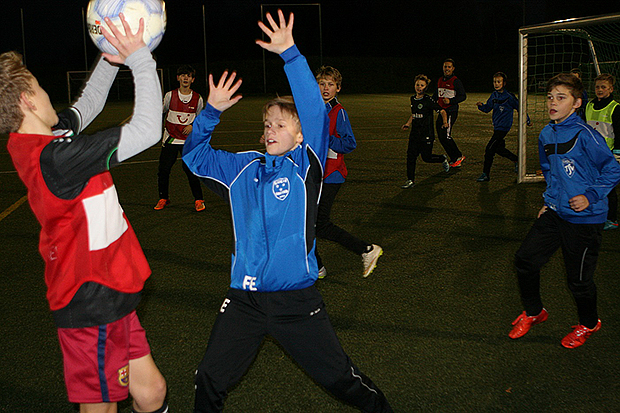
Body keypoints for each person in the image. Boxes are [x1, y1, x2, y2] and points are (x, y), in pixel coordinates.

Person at [182, 11, 393, 412]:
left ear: (299, 135)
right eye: (267, 124)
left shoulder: (305, 165)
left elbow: (314, 111)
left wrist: (290, 55)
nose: (270, 130)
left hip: (296, 300)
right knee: (208, 378)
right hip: (243, 301)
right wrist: (209, 113)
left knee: (340, 380)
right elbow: (193, 158)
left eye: (280, 124)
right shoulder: (241, 167)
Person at [2, 15, 168, 412]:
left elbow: (87, 104)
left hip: (111, 287)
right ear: (27, 100)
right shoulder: (57, 159)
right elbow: (146, 130)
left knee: (152, 392)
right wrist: (140, 58)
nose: (47, 96)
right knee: (102, 408)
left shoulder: (42, 138)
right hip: (89, 299)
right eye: (40, 89)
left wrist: (110, 57)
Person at [510, 73, 620, 349]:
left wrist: (590, 196)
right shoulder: (547, 133)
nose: (553, 102)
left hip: (585, 219)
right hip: (556, 213)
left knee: (579, 281)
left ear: (576, 104)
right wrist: (549, 200)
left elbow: (613, 169)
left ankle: (589, 323)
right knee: (525, 260)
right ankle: (535, 312)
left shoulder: (586, 135)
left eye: (561, 97)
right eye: (550, 97)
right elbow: (550, 171)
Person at [314, 65, 382, 279]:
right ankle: (316, 267)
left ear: (338, 88)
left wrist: (326, 139)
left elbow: (350, 144)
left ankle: (366, 250)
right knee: (307, 223)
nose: (326, 88)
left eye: (330, 85)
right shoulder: (314, 109)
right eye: (322, 83)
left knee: (319, 224)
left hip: (332, 176)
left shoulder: (338, 112)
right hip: (313, 174)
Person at [154, 64, 206, 211]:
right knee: (163, 170)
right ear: (178, 78)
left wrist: (192, 127)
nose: (185, 78)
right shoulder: (170, 96)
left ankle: (198, 200)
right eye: (183, 75)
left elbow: (200, 119)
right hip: (170, 139)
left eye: (188, 76)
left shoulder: (198, 98)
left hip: (188, 142)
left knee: (190, 170)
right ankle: (163, 198)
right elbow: (160, 112)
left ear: (192, 80)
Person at [475, 72, 530, 182]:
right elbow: (487, 108)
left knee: (489, 149)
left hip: (503, 128)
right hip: (496, 127)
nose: (496, 84)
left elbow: (520, 108)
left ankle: (485, 174)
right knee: (498, 149)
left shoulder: (509, 97)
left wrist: (527, 119)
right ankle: (516, 160)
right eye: (495, 81)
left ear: (504, 83)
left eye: (499, 82)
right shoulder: (494, 96)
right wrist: (481, 107)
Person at [400, 74, 450, 189]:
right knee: (410, 156)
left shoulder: (428, 100)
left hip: (426, 134)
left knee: (426, 158)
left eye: (422, 85)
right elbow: (414, 114)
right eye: (417, 84)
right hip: (415, 134)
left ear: (426, 87)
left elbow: (442, 111)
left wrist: (445, 122)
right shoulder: (413, 99)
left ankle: (442, 158)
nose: (419, 87)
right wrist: (408, 124)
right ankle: (410, 180)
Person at [585, 73, 620, 230]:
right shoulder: (589, 106)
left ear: (611, 89)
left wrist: (617, 154)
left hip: (608, 155)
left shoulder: (615, 108)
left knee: (608, 187)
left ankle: (611, 219)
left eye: (603, 87)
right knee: (590, 182)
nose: (600, 90)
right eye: (597, 87)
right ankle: (593, 212)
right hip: (590, 153)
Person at [432, 58, 466, 167]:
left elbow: (463, 96)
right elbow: (435, 95)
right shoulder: (440, 80)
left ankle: (458, 156)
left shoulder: (456, 81)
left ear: (453, 69)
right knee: (441, 137)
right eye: (445, 66)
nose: (447, 69)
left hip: (451, 111)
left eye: (449, 67)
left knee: (446, 136)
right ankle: (454, 158)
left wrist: (451, 101)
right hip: (442, 112)